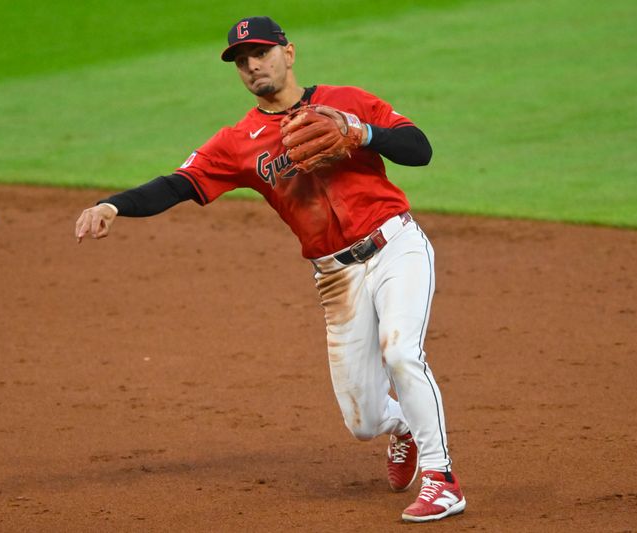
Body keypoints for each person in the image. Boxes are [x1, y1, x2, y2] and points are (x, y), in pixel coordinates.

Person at [74, 16, 465, 523]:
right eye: (242, 60)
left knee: (401, 349)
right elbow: (179, 183)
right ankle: (403, 428)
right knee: (364, 422)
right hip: (335, 276)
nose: (252, 64)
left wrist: (361, 132)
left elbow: (420, 149)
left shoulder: (347, 99)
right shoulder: (239, 141)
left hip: (396, 247)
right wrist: (112, 207)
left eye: (261, 52)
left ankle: (443, 479)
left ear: (289, 53)